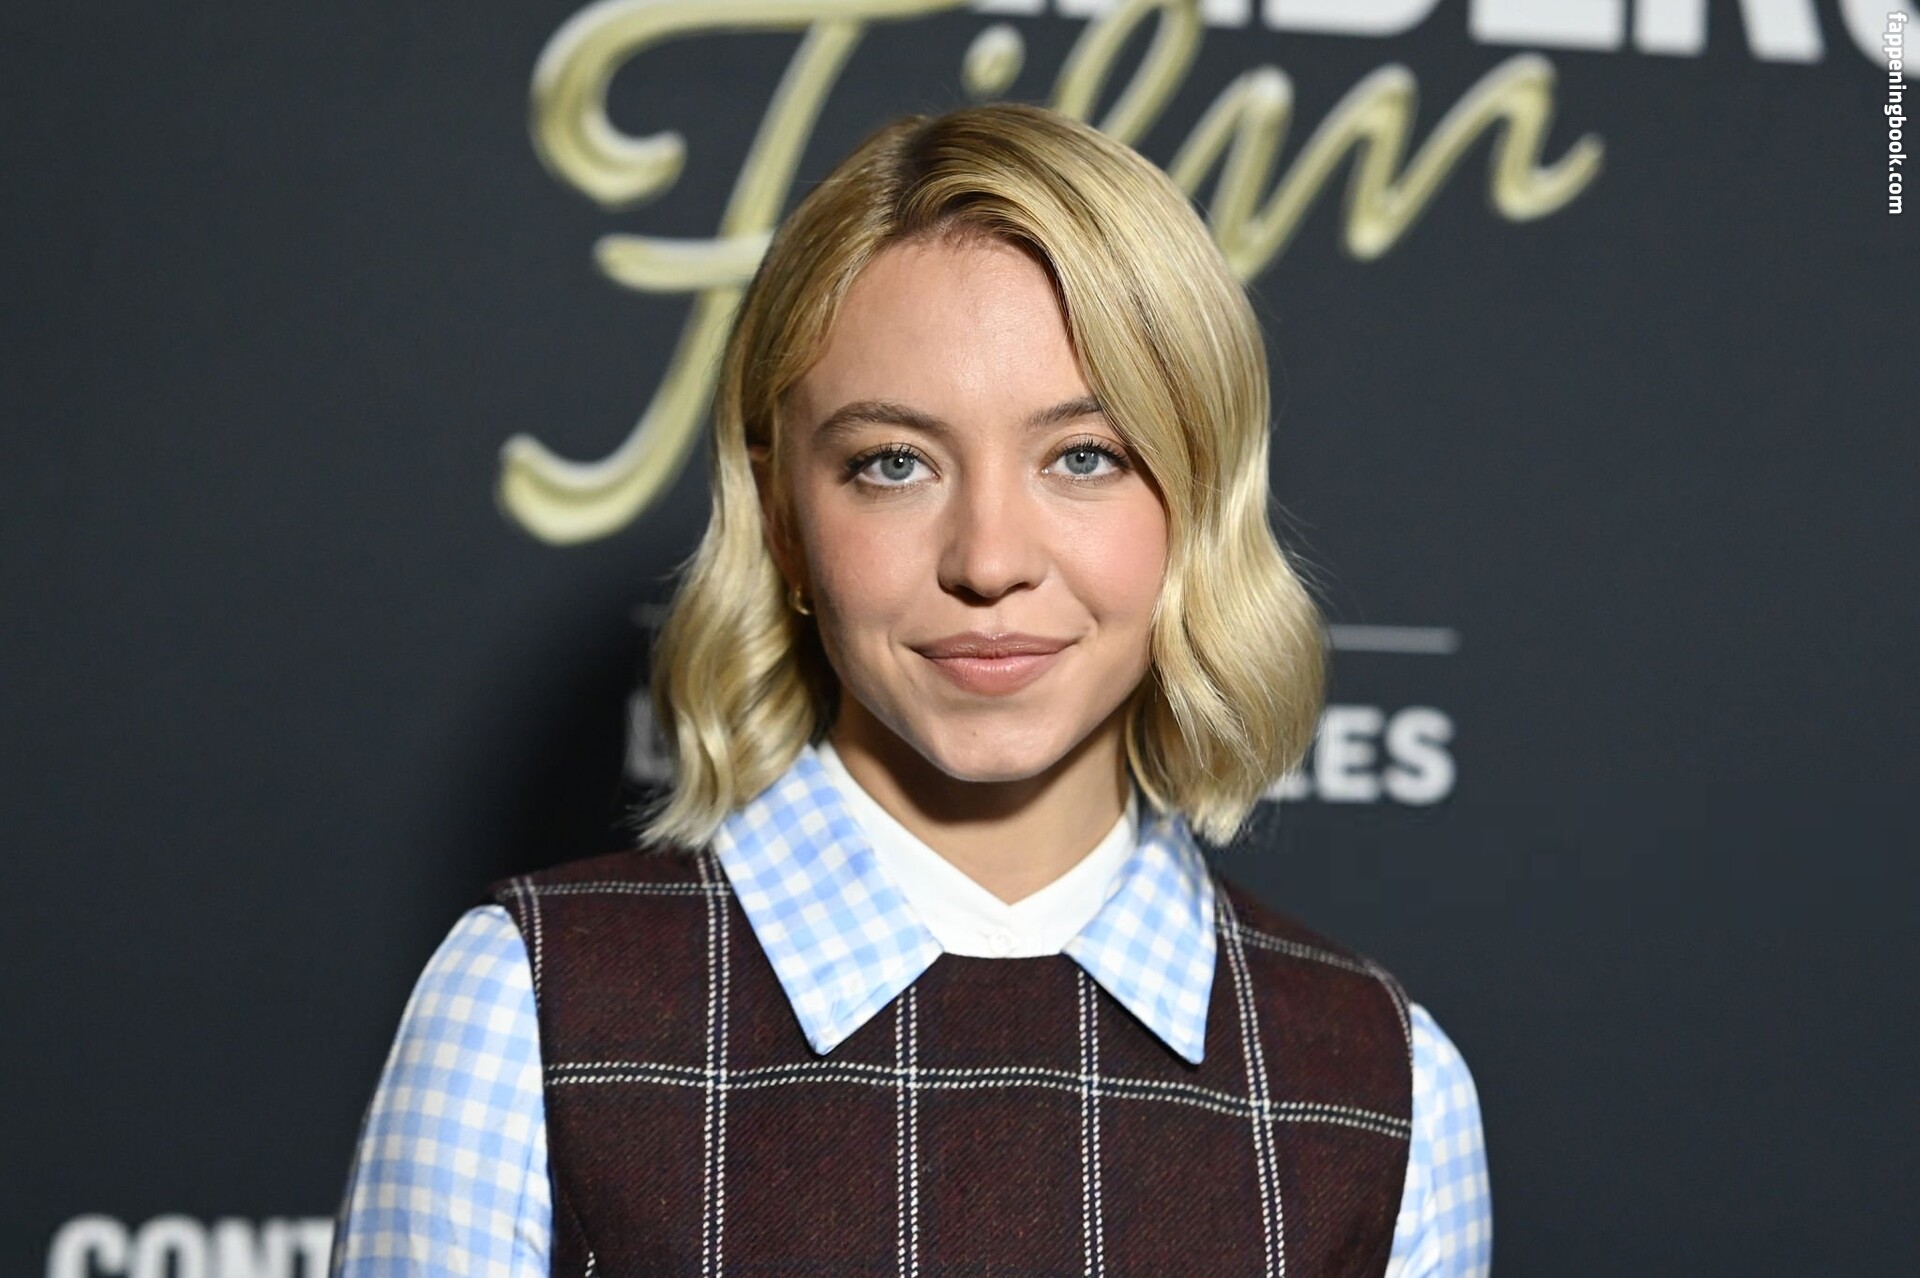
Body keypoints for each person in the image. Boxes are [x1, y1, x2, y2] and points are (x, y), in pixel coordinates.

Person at [329, 102, 1491, 1277]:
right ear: (782, 516)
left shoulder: (1386, 1087)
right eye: (894, 463)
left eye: (1084, 456)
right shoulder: (526, 1014)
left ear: (1198, 500)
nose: (988, 559)